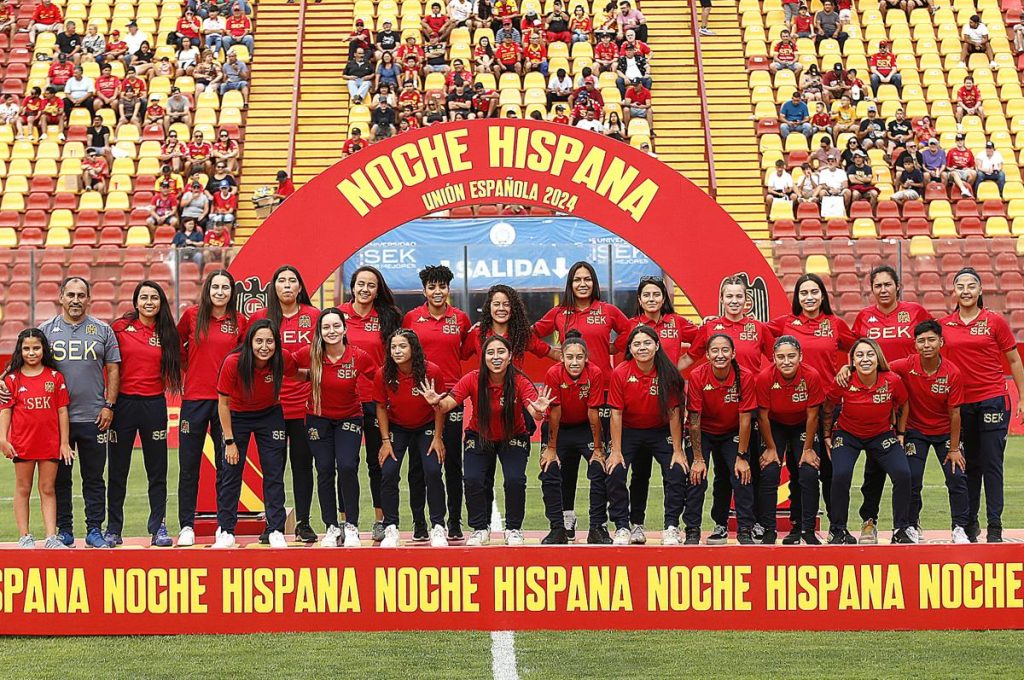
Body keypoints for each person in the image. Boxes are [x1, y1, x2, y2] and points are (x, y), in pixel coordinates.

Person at [420, 335, 552, 546]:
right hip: (479, 436)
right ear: (483, 357)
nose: (496, 357)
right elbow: (446, 405)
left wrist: (539, 411)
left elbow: (534, 412)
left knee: (515, 480)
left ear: (510, 357)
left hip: (513, 437)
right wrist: (435, 402)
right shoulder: (472, 378)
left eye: (501, 352)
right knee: (472, 479)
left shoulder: (519, 380)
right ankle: (480, 528)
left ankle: (514, 529)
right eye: (490, 353)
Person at [939, 268, 1024, 543]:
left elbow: (1013, 361)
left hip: (992, 400)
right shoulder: (944, 325)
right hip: (960, 406)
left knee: (992, 464)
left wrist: (1022, 398)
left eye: (971, 286)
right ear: (954, 291)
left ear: (979, 291)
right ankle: (969, 524)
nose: (965, 291)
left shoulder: (994, 321)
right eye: (960, 285)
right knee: (968, 465)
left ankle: (995, 527)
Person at [39, 278, 121, 548]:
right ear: (61, 297)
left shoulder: (102, 330)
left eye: (81, 295)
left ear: (89, 299)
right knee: (60, 478)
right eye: (70, 294)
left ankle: (94, 530)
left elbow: (112, 369)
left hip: (94, 418)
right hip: (57, 421)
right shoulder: (45, 331)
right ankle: (65, 530)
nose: (76, 300)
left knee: (94, 478)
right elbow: (27, 365)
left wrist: (109, 405)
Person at [770, 274, 855, 527]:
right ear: (796, 298)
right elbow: (756, 338)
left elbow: (860, 346)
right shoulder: (785, 323)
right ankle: (801, 525)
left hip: (829, 407)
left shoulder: (835, 323)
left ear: (823, 296)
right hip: (796, 409)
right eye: (803, 293)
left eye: (814, 292)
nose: (809, 297)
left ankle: (837, 527)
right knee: (800, 471)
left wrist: (848, 367)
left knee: (832, 471)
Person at [247, 266, 320, 543]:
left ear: (300, 287)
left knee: (303, 466)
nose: (287, 285)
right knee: (273, 469)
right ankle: (274, 524)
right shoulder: (260, 318)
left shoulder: (313, 317)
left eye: (292, 281)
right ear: (273, 287)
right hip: (271, 407)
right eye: (281, 280)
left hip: (304, 405)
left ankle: (303, 522)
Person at [106, 282, 181, 548]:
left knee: (157, 470)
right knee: (117, 470)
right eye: (144, 297)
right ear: (135, 302)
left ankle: (158, 526)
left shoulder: (168, 332)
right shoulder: (118, 328)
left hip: (154, 406)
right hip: (123, 406)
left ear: (161, 302)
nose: (149, 302)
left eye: (155, 297)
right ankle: (113, 528)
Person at [293, 309, 375, 548]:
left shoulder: (357, 356)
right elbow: (285, 364)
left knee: (348, 466)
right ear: (319, 331)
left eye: (336, 326)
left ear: (344, 329)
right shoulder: (311, 353)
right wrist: (303, 376)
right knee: (325, 469)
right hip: (318, 419)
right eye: (326, 327)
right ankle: (330, 526)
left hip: (350, 417)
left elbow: (380, 377)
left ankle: (351, 526)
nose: (331, 331)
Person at [214, 320, 298, 548]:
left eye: (269, 341)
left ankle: (275, 529)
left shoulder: (282, 358)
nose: (264, 346)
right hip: (237, 416)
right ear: (250, 342)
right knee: (231, 472)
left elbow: (300, 373)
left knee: (273, 471)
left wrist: (323, 376)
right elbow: (223, 404)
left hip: (270, 415)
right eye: (259, 341)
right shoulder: (234, 362)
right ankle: (225, 529)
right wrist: (229, 441)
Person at [175, 270, 244, 545]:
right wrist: (189, 368)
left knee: (226, 466)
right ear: (208, 290)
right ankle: (186, 526)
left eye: (225, 287)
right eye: (215, 287)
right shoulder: (192, 315)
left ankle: (225, 526)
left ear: (231, 292)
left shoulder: (240, 321)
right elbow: (176, 345)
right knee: (188, 465)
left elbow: (245, 356)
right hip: (194, 400)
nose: (219, 292)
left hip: (226, 402)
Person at [403, 265, 472, 539]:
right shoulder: (411, 318)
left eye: (442, 286)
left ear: (448, 289)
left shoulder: (461, 319)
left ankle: (453, 521)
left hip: (451, 398)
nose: (437, 292)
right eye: (432, 287)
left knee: (453, 462)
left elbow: (466, 350)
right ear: (424, 290)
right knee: (419, 465)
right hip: (417, 399)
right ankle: (420, 523)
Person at [603, 326, 689, 545]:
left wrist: (678, 451)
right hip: (629, 430)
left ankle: (671, 526)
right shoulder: (621, 372)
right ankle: (625, 526)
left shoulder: (668, 373)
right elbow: (616, 414)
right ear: (630, 348)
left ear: (657, 346)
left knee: (677, 470)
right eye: (637, 344)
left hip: (660, 431)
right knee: (615, 470)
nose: (642, 348)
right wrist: (615, 450)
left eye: (647, 343)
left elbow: (674, 413)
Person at [823, 338, 914, 544]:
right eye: (860, 355)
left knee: (903, 473)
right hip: (847, 435)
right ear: (852, 361)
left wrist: (900, 433)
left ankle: (900, 529)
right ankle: (838, 529)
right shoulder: (844, 380)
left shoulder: (892, 380)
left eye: (870, 354)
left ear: (878, 357)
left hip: (881, 435)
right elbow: (828, 407)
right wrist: (827, 435)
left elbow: (904, 403)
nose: (865, 359)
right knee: (841, 475)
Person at [890, 321, 970, 543]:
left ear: (941, 342)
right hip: (915, 431)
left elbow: (955, 414)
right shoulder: (906, 365)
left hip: (945, 432)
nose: (926, 345)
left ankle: (959, 527)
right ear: (915, 344)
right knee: (912, 478)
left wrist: (954, 449)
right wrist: (848, 367)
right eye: (921, 341)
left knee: (956, 477)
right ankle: (911, 526)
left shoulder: (952, 373)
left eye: (931, 339)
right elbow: (880, 367)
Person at [340, 266, 404, 543]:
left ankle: (381, 520)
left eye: (371, 285)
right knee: (346, 464)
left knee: (378, 464)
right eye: (360, 284)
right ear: (352, 286)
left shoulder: (388, 317)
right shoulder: (338, 315)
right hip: (344, 402)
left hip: (378, 402)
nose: (365, 289)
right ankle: (346, 523)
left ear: (378, 290)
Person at [374, 330, 448, 547]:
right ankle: (391, 527)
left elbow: (439, 407)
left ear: (413, 348)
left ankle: (438, 526)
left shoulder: (431, 371)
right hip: (398, 427)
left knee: (433, 471)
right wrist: (386, 441)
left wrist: (437, 437)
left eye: (402, 346)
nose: (397, 351)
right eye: (393, 347)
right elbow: (380, 406)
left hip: (426, 426)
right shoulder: (383, 373)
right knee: (388, 472)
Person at [0, 330, 73, 549]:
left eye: (36, 348)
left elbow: (62, 411)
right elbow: (5, 411)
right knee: (23, 488)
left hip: (50, 443)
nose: (31, 353)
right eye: (26, 348)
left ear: (44, 350)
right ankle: (25, 536)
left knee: (48, 489)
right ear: (20, 351)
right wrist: (3, 439)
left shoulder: (54, 377)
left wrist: (64, 442)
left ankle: (51, 537)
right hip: (23, 443)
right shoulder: (12, 379)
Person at [540, 331, 611, 545]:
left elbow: (593, 412)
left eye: (579, 357)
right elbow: (555, 413)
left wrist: (598, 448)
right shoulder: (553, 373)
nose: (574, 362)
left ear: (586, 358)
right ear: (561, 357)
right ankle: (558, 528)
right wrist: (551, 448)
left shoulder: (595, 373)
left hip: (585, 428)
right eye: (569, 357)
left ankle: (597, 527)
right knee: (549, 470)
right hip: (558, 427)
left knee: (600, 469)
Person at [688, 334, 757, 544]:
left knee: (741, 475)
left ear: (733, 353)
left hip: (732, 432)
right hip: (704, 432)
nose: (720, 355)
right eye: (715, 351)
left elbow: (745, 419)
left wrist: (742, 456)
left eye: (725, 350)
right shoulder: (697, 375)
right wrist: (698, 458)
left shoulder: (744, 376)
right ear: (707, 354)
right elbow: (694, 420)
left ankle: (745, 528)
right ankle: (692, 530)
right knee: (696, 477)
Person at [756, 336, 825, 545]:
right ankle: (768, 529)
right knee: (768, 472)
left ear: (800, 357)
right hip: (774, 424)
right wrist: (770, 448)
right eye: (781, 357)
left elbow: (813, 415)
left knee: (807, 472)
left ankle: (804, 529)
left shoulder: (811, 376)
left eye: (791, 356)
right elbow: (763, 416)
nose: (786, 361)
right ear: (773, 358)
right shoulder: (765, 377)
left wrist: (808, 449)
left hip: (803, 424)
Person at [945, 133, 976, 198]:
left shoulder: (968, 152)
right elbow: (947, 166)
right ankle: (963, 189)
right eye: (958, 140)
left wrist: (968, 169)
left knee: (973, 173)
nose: (960, 142)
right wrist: (952, 168)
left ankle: (967, 190)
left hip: (965, 171)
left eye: (961, 140)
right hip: (954, 171)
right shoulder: (951, 151)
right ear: (956, 141)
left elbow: (972, 166)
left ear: (964, 141)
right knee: (954, 173)